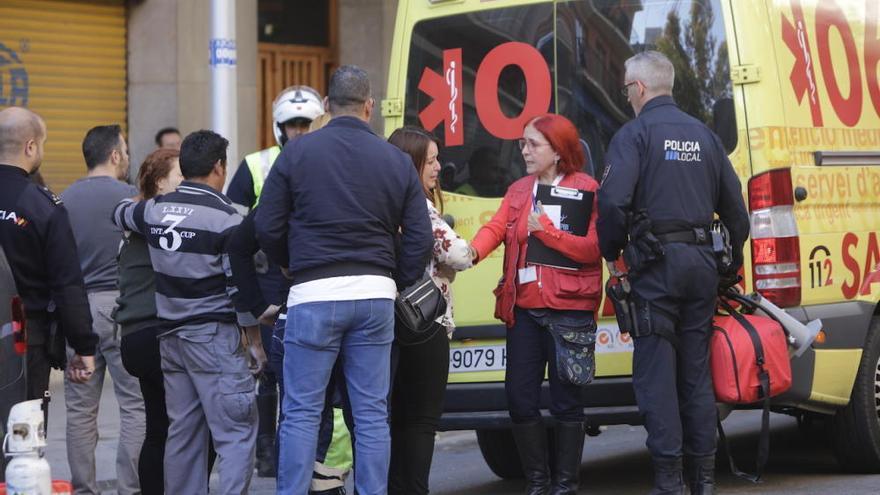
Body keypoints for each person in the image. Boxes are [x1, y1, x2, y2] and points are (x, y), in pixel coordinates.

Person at [255, 65, 433, 495]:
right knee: (372, 414)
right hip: (374, 295)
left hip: (313, 293)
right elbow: (421, 238)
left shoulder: (296, 154)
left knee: (299, 411)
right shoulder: (394, 159)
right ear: (369, 107)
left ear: (328, 106)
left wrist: (289, 265)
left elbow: (266, 225)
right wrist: (394, 278)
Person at [597, 51, 749, 495]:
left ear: (639, 89)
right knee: (696, 375)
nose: (626, 96)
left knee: (656, 377)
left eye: (626, 88)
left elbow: (611, 203)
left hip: (655, 269)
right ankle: (703, 479)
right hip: (701, 267)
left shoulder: (635, 135)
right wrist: (730, 263)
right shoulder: (705, 136)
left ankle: (669, 481)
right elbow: (737, 212)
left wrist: (612, 252)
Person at [112, 130, 265, 495]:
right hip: (213, 340)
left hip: (171, 340)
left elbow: (119, 213)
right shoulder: (229, 220)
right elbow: (239, 285)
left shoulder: (153, 210)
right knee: (235, 434)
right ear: (219, 167)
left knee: (183, 435)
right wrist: (255, 339)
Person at [470, 113, 602, 495]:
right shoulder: (518, 191)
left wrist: (549, 233)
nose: (524, 150)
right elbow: (495, 229)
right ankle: (538, 484)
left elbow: (594, 249)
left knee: (566, 402)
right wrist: (469, 253)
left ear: (558, 151)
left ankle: (565, 486)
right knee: (520, 399)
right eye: (523, 143)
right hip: (524, 309)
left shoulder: (587, 189)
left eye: (532, 144)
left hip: (570, 309)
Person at [227, 84, 324, 476]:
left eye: (305, 124)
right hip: (268, 277)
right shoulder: (256, 164)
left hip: (310, 273)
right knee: (268, 368)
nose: (299, 131)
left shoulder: (325, 158)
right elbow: (232, 225)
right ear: (279, 126)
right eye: (292, 124)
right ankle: (268, 449)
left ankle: (308, 452)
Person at [387, 126, 472, 495]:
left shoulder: (380, 201)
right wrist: (446, 267)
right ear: (411, 163)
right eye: (431, 160)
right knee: (421, 420)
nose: (439, 167)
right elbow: (458, 253)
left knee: (394, 417)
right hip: (423, 320)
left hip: (385, 318)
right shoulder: (418, 206)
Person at [60, 125, 145, 495]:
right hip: (123, 309)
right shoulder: (131, 198)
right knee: (135, 405)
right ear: (114, 155)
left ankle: (83, 490)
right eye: (125, 151)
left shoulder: (63, 200)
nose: (127, 157)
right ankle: (130, 489)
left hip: (78, 310)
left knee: (80, 410)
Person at [0, 107, 97, 399]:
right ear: (30, 146)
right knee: (22, 431)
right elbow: (67, 283)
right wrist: (83, 346)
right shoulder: (42, 206)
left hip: (26, 336)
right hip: (24, 340)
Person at [115, 148, 183, 494]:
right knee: (186, 426)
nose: (187, 185)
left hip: (137, 337)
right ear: (159, 183)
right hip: (157, 334)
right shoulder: (157, 217)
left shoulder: (137, 215)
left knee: (159, 427)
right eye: (180, 178)